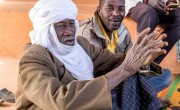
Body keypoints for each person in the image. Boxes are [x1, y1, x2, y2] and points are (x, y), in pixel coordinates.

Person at [16, 0, 168, 109]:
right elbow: (61, 101)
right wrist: (125, 70)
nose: (69, 31)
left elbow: (118, 61)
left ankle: (143, 100)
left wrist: (144, 60)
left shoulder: (80, 45)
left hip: (89, 95)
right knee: (124, 83)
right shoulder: (33, 59)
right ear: (46, 31)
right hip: (64, 105)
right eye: (61, 26)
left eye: (70, 24)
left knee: (158, 76)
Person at [78, 0, 173, 93]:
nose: (116, 13)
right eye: (110, 8)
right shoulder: (87, 35)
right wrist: (127, 71)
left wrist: (145, 62)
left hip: (123, 78)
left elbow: (132, 62)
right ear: (99, 10)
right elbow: (90, 81)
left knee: (166, 76)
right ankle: (140, 100)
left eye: (121, 8)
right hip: (103, 87)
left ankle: (137, 98)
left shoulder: (122, 29)